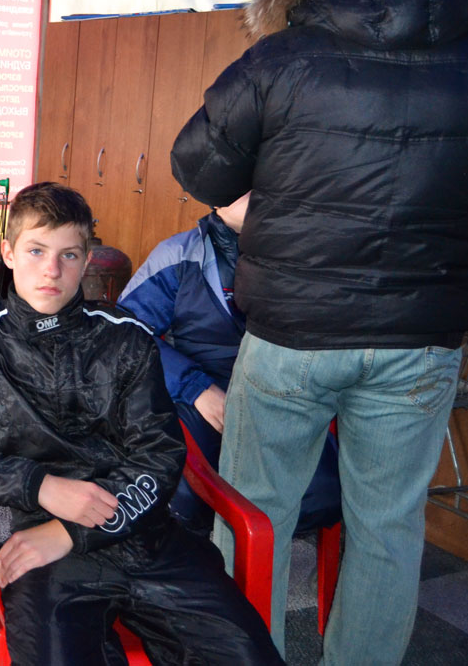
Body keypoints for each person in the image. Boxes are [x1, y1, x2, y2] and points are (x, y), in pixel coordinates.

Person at [170, 0, 468, 662]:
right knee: (388, 528)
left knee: (254, 513)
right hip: (421, 338)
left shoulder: (282, 57)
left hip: (291, 332)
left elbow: (198, 167)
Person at [0, 182, 281, 665]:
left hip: (143, 535)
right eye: (36, 251)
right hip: (47, 549)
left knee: (246, 655)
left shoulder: (126, 339)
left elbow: (160, 457)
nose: (52, 270)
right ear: (8, 253)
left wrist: (70, 531)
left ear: (86, 261)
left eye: (68, 255)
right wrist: (41, 486)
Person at [117, 192, 340, 535]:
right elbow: (125, 333)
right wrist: (196, 388)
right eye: (240, 184)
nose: (254, 192)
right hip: (200, 397)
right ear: (215, 194)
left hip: (282, 398)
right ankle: (210, 556)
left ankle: (248, 552)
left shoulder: (301, 256)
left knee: (326, 494)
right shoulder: (180, 254)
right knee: (187, 495)